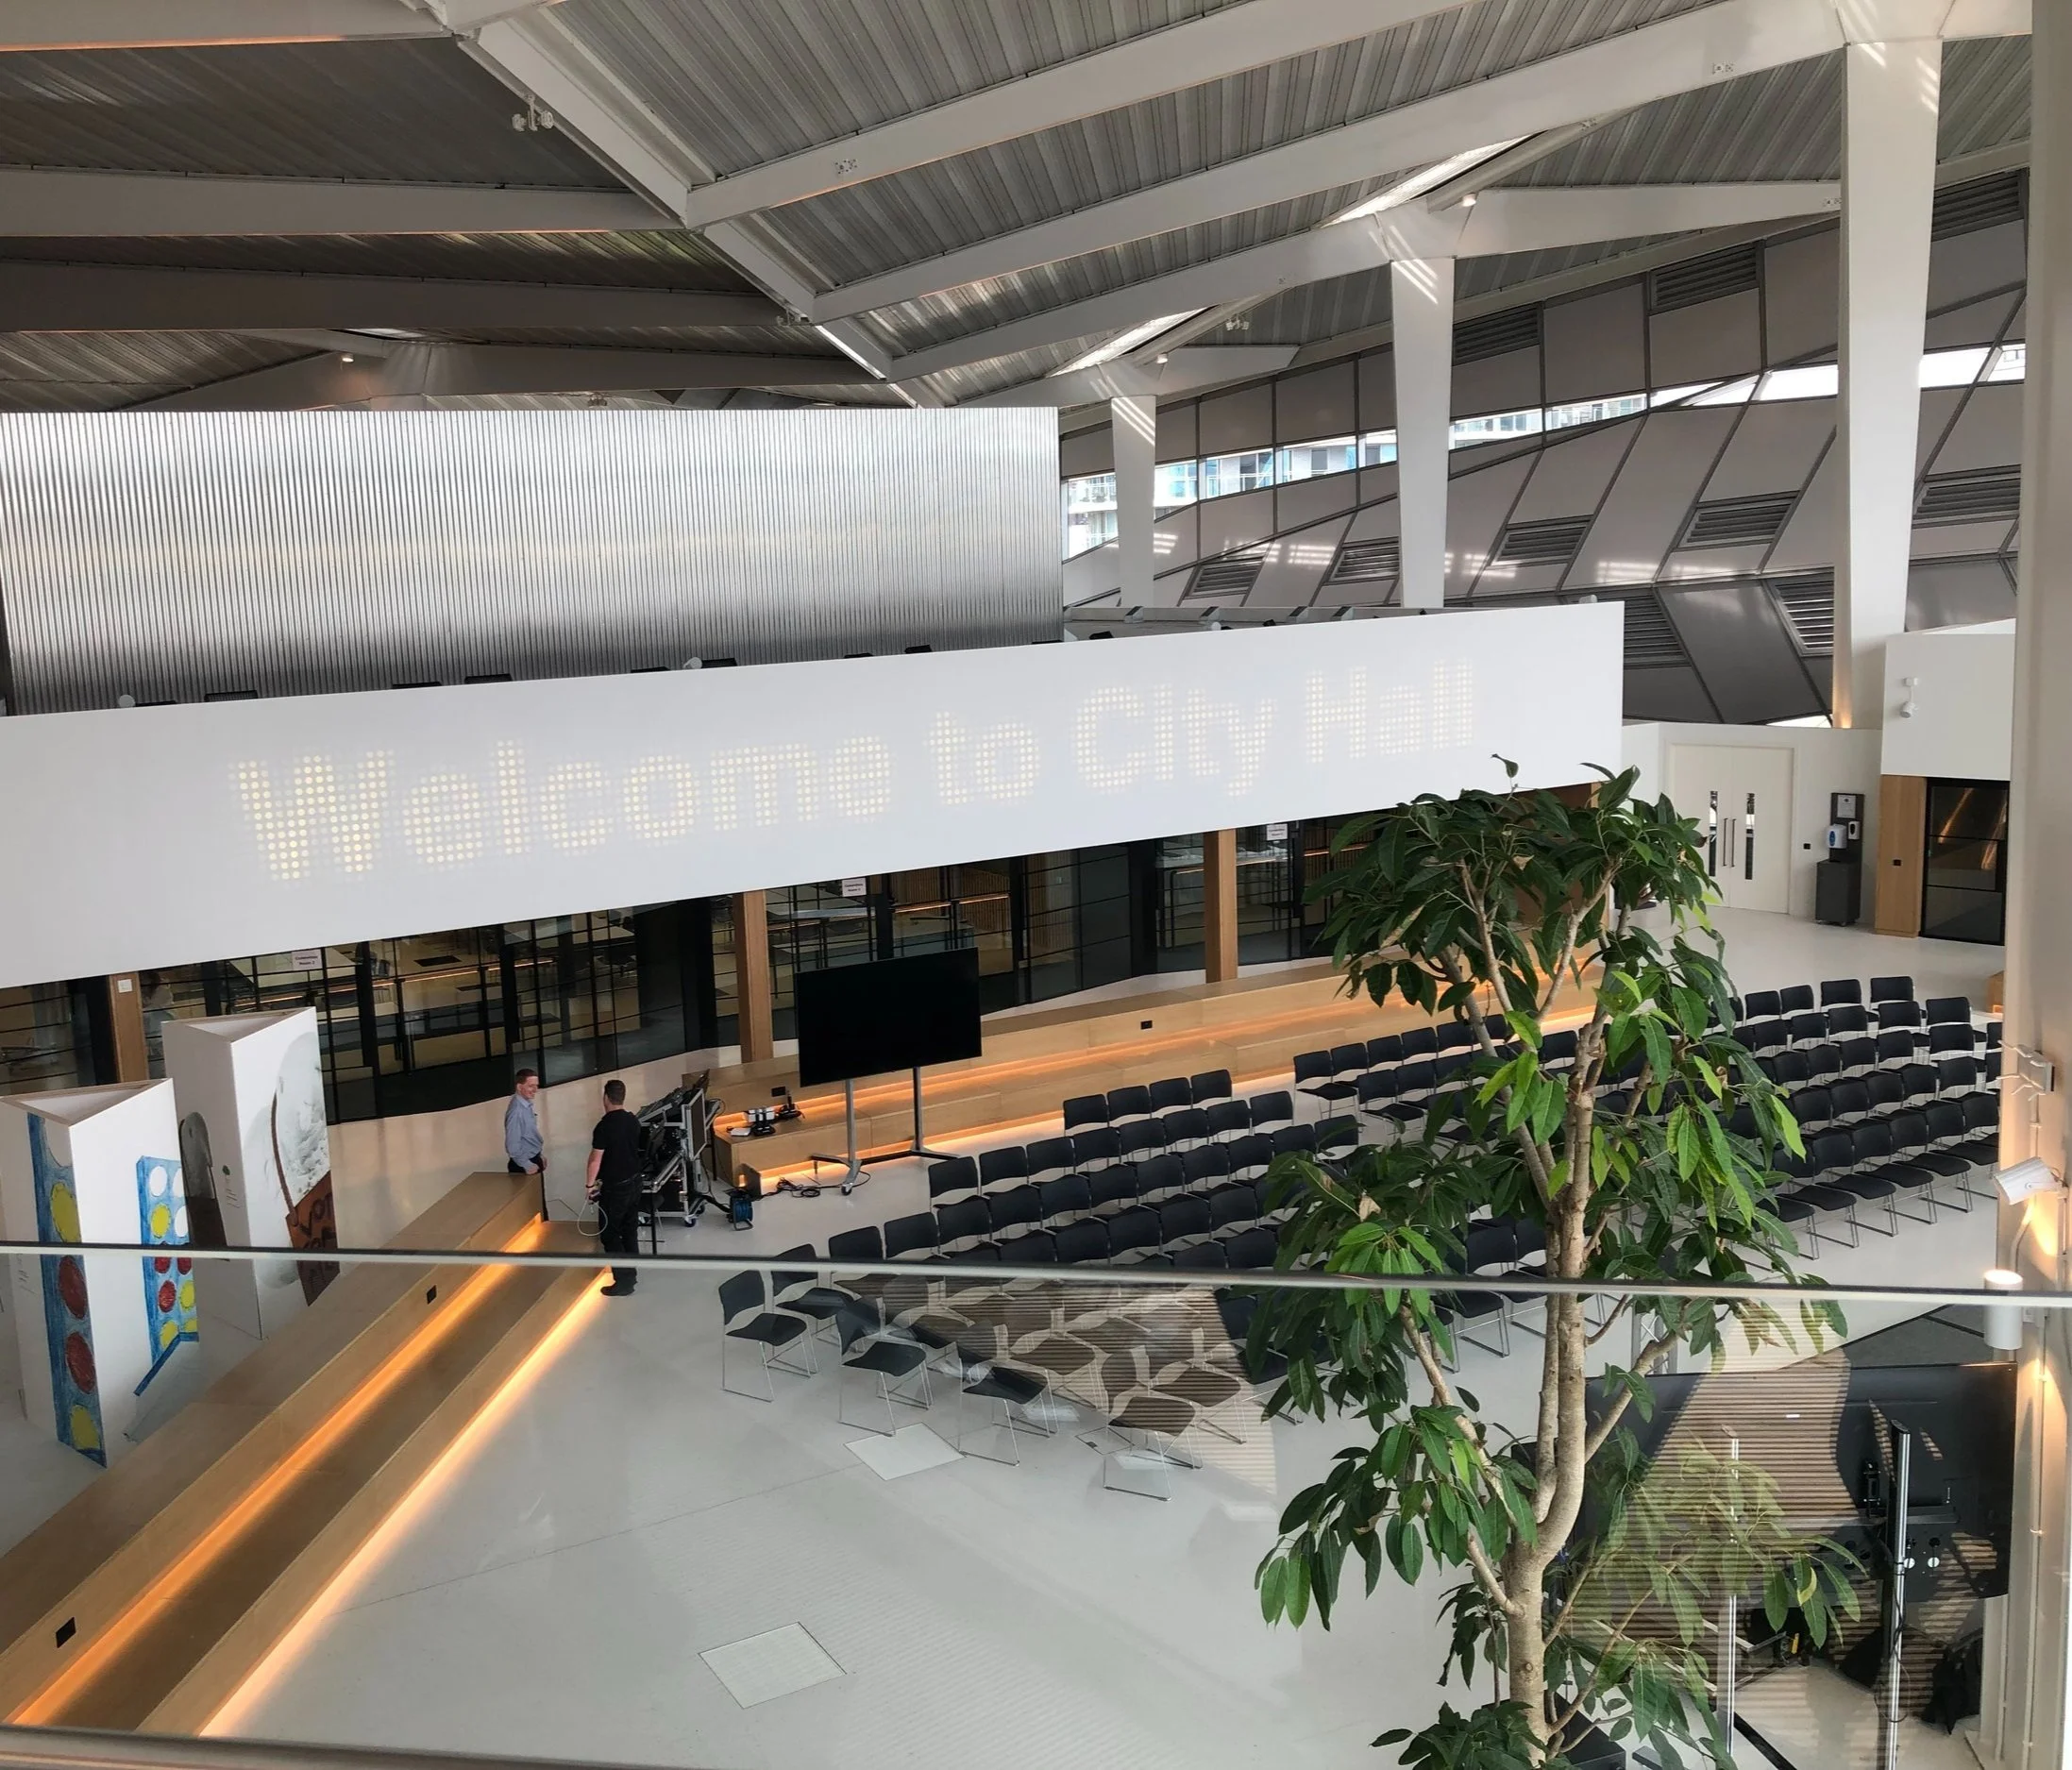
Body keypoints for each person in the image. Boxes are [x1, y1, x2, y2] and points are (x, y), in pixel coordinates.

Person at [586, 1079, 644, 1297]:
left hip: (616, 1189)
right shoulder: (632, 1120)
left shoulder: (603, 1127)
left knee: (610, 1234)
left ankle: (624, 1281)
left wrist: (589, 1185)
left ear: (606, 1098)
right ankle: (632, 1273)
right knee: (629, 1230)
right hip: (635, 1182)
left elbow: (595, 1160)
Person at [504, 1070, 544, 1179]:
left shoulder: (526, 1105)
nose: (535, 1090)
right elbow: (512, 1145)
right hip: (524, 1165)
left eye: (536, 1086)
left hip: (532, 1158)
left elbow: (529, 1135)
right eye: (531, 1086)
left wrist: (539, 1155)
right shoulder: (517, 1112)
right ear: (519, 1087)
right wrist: (527, 1165)